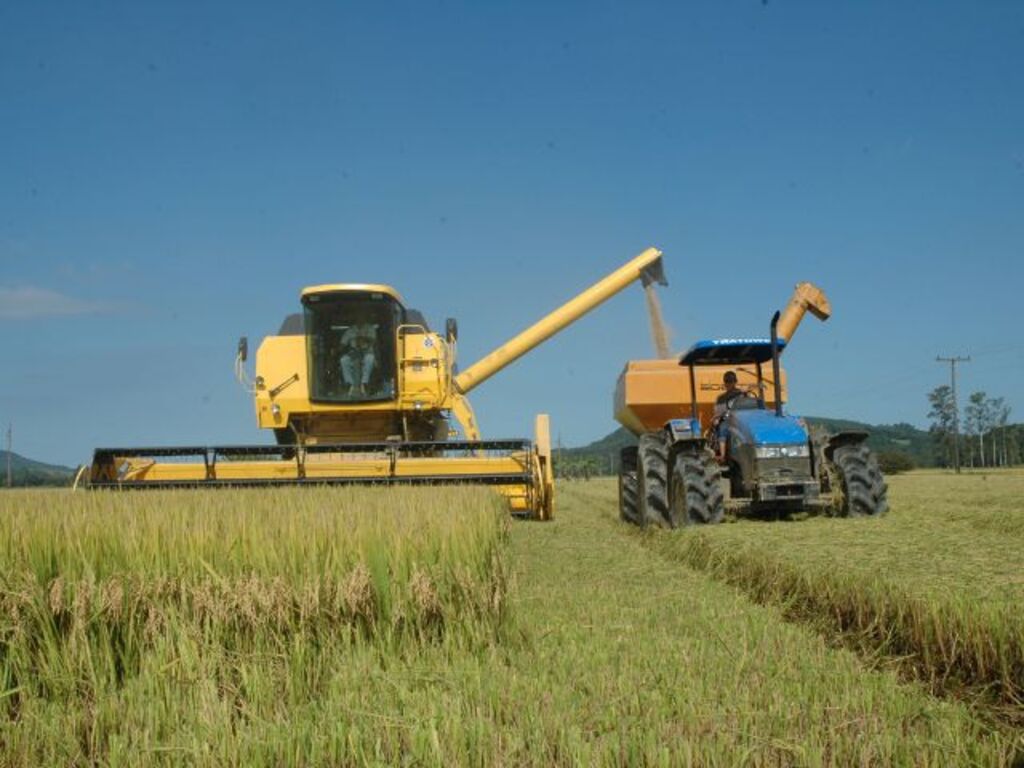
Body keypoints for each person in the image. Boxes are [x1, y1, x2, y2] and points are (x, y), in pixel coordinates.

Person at [339, 315, 378, 397]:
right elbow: (343, 343)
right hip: (353, 352)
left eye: (361, 316)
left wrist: (363, 338)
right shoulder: (350, 330)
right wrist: (337, 349)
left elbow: (374, 340)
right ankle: (349, 383)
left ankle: (364, 383)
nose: (359, 319)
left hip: (367, 352)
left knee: (370, 359)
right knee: (343, 360)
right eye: (357, 317)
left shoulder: (370, 328)